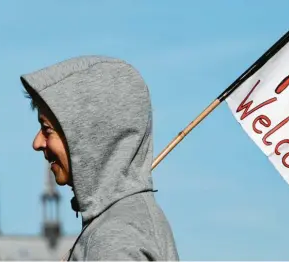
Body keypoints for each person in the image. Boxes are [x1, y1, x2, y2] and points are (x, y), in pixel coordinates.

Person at [20, 55, 179, 261]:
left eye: (46, 129)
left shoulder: (115, 236)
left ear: (86, 135)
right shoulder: (125, 221)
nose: (37, 142)